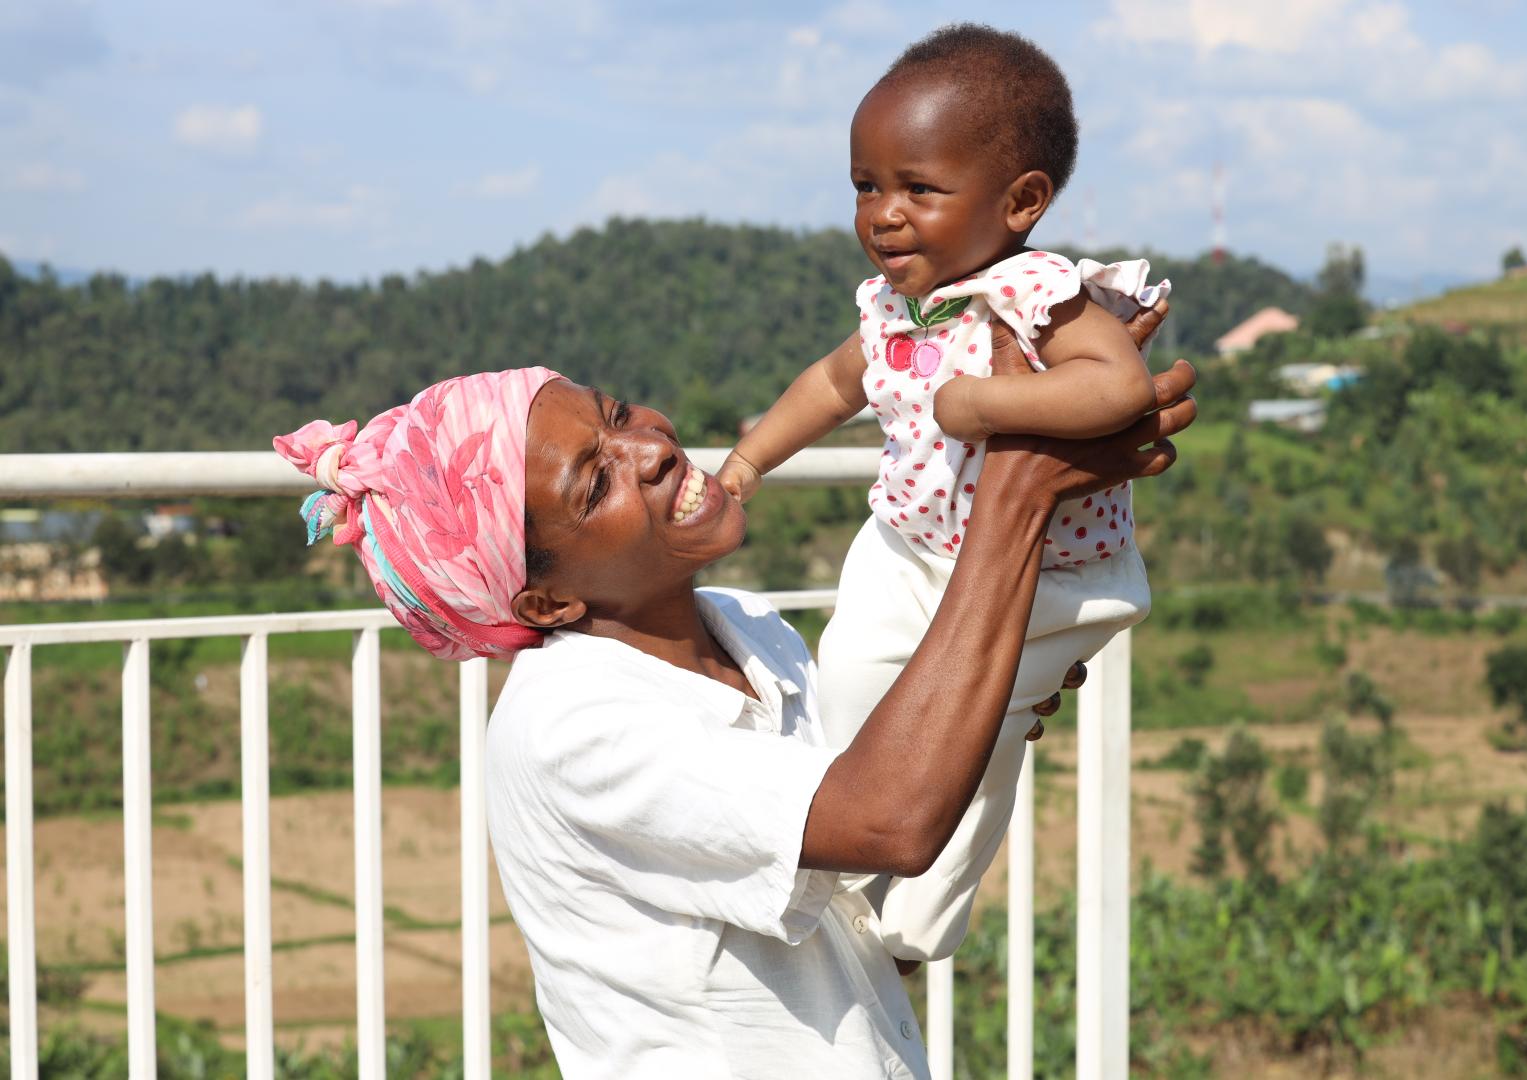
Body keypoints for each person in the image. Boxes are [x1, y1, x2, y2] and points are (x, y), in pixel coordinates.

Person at [273, 323, 1196, 1078]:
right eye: (596, 482)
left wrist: (999, 698)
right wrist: (1018, 492)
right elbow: (890, 824)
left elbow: (870, 905)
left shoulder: (748, 630)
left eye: (621, 413)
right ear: (544, 604)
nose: (652, 449)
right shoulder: (569, 724)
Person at [716, 23, 1171, 964]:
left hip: (1048, 580)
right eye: (866, 186)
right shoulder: (888, 308)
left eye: (919, 188)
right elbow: (830, 386)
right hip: (909, 551)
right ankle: (831, 860)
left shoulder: (1039, 292)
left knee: (979, 740)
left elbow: (1119, 386)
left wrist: (984, 402)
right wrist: (749, 460)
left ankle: (914, 931)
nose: (884, 214)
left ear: (1021, 202)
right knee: (849, 683)